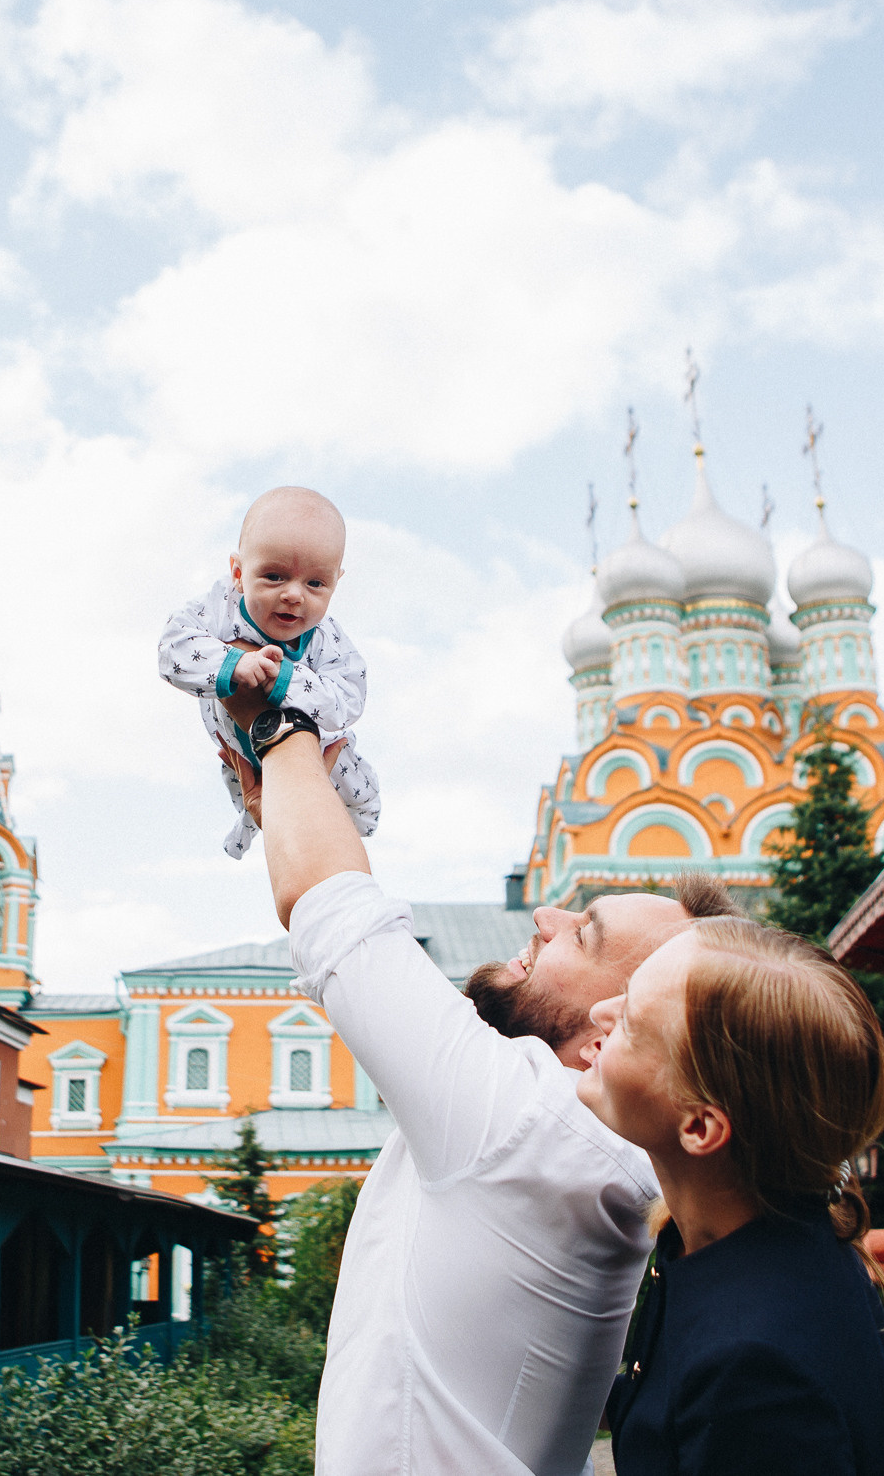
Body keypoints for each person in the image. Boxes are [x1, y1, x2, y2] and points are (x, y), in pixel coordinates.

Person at [243, 690, 725, 1476]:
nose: (545, 917)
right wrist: (295, 797)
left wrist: (277, 722)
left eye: (585, 933)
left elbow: (332, 912)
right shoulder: (594, 1143)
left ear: (609, 1032)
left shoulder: (529, 1122)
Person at [582, 918, 884, 1476]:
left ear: (699, 1126)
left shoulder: (753, 1372)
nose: (600, 1012)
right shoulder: (725, 1241)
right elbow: (666, 1403)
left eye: (632, 1022)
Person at [157, 486, 381, 857]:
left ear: (336, 582)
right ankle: (259, 825)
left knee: (353, 799)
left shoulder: (327, 639)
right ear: (238, 573)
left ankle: (343, 840)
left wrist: (287, 679)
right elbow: (172, 649)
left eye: (315, 583)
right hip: (242, 747)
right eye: (274, 576)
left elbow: (349, 700)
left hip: (317, 749)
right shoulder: (221, 606)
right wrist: (234, 662)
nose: (294, 595)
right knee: (266, 808)